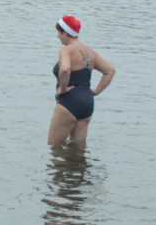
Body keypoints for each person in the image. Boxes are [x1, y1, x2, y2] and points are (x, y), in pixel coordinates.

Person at [48, 15, 116, 147]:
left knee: (54, 147)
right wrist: (96, 91)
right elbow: (110, 71)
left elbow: (65, 69)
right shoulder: (91, 52)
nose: (58, 36)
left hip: (69, 102)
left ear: (65, 32)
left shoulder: (66, 50)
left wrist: (62, 88)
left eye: (58, 32)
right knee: (78, 150)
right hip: (87, 103)